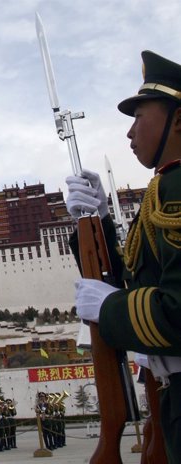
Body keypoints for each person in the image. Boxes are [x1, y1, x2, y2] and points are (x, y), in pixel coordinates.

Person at [66, 50, 181, 464]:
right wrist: (95, 223)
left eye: (139, 116)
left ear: (178, 118)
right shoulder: (163, 187)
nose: (130, 133)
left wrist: (112, 309)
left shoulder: (175, 187)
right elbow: (141, 276)